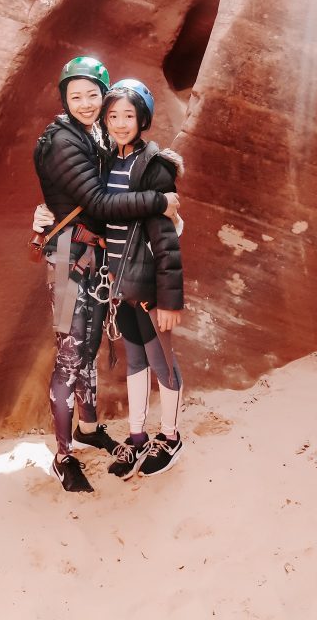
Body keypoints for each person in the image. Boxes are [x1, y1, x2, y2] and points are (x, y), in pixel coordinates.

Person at [33, 56, 180, 493]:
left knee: (91, 344)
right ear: (64, 98)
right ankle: (63, 457)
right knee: (69, 355)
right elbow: (96, 203)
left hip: (94, 260)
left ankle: (89, 427)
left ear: (105, 93)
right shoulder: (62, 140)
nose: (84, 102)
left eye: (92, 94)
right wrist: (159, 201)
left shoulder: (94, 133)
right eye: (75, 95)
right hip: (66, 259)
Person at [101, 79, 184, 480]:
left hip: (148, 287)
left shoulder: (154, 167)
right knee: (135, 361)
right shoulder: (107, 163)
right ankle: (136, 440)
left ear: (143, 119)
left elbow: (166, 241)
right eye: (113, 115)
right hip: (120, 284)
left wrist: (169, 301)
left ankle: (170, 439)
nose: (119, 123)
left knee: (162, 363)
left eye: (128, 116)